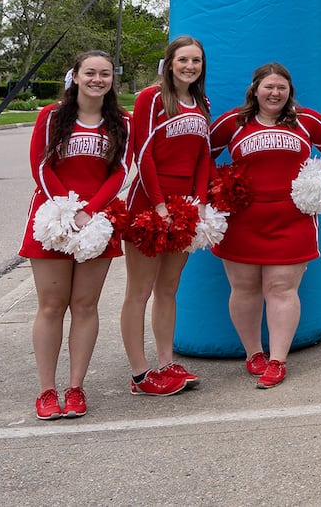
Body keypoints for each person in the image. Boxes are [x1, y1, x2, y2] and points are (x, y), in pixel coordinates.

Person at [208, 62, 321, 388]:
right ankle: (253, 352)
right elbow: (204, 155)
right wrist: (218, 189)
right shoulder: (233, 121)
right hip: (242, 220)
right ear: (255, 89)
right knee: (244, 290)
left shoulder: (306, 120)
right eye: (268, 86)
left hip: (292, 218)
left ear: (289, 91)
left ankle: (277, 359)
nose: (275, 92)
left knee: (281, 289)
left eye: (281, 87)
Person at [21, 50, 129, 420]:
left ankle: (76, 386)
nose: (97, 79)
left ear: (112, 80)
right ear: (76, 76)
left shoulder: (120, 122)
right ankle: (47, 390)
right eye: (90, 73)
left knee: (85, 306)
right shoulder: (51, 116)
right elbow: (40, 165)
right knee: (51, 306)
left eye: (105, 74)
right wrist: (67, 211)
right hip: (52, 219)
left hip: (95, 222)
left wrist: (90, 212)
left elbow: (119, 173)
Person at [120, 36, 212, 396]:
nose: (190, 66)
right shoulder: (151, 98)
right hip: (149, 205)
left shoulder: (201, 101)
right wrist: (159, 205)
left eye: (196, 61)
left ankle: (165, 361)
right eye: (183, 60)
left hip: (184, 208)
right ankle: (141, 374)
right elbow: (143, 153)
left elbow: (204, 155)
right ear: (169, 62)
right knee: (138, 291)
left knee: (169, 289)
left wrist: (199, 202)